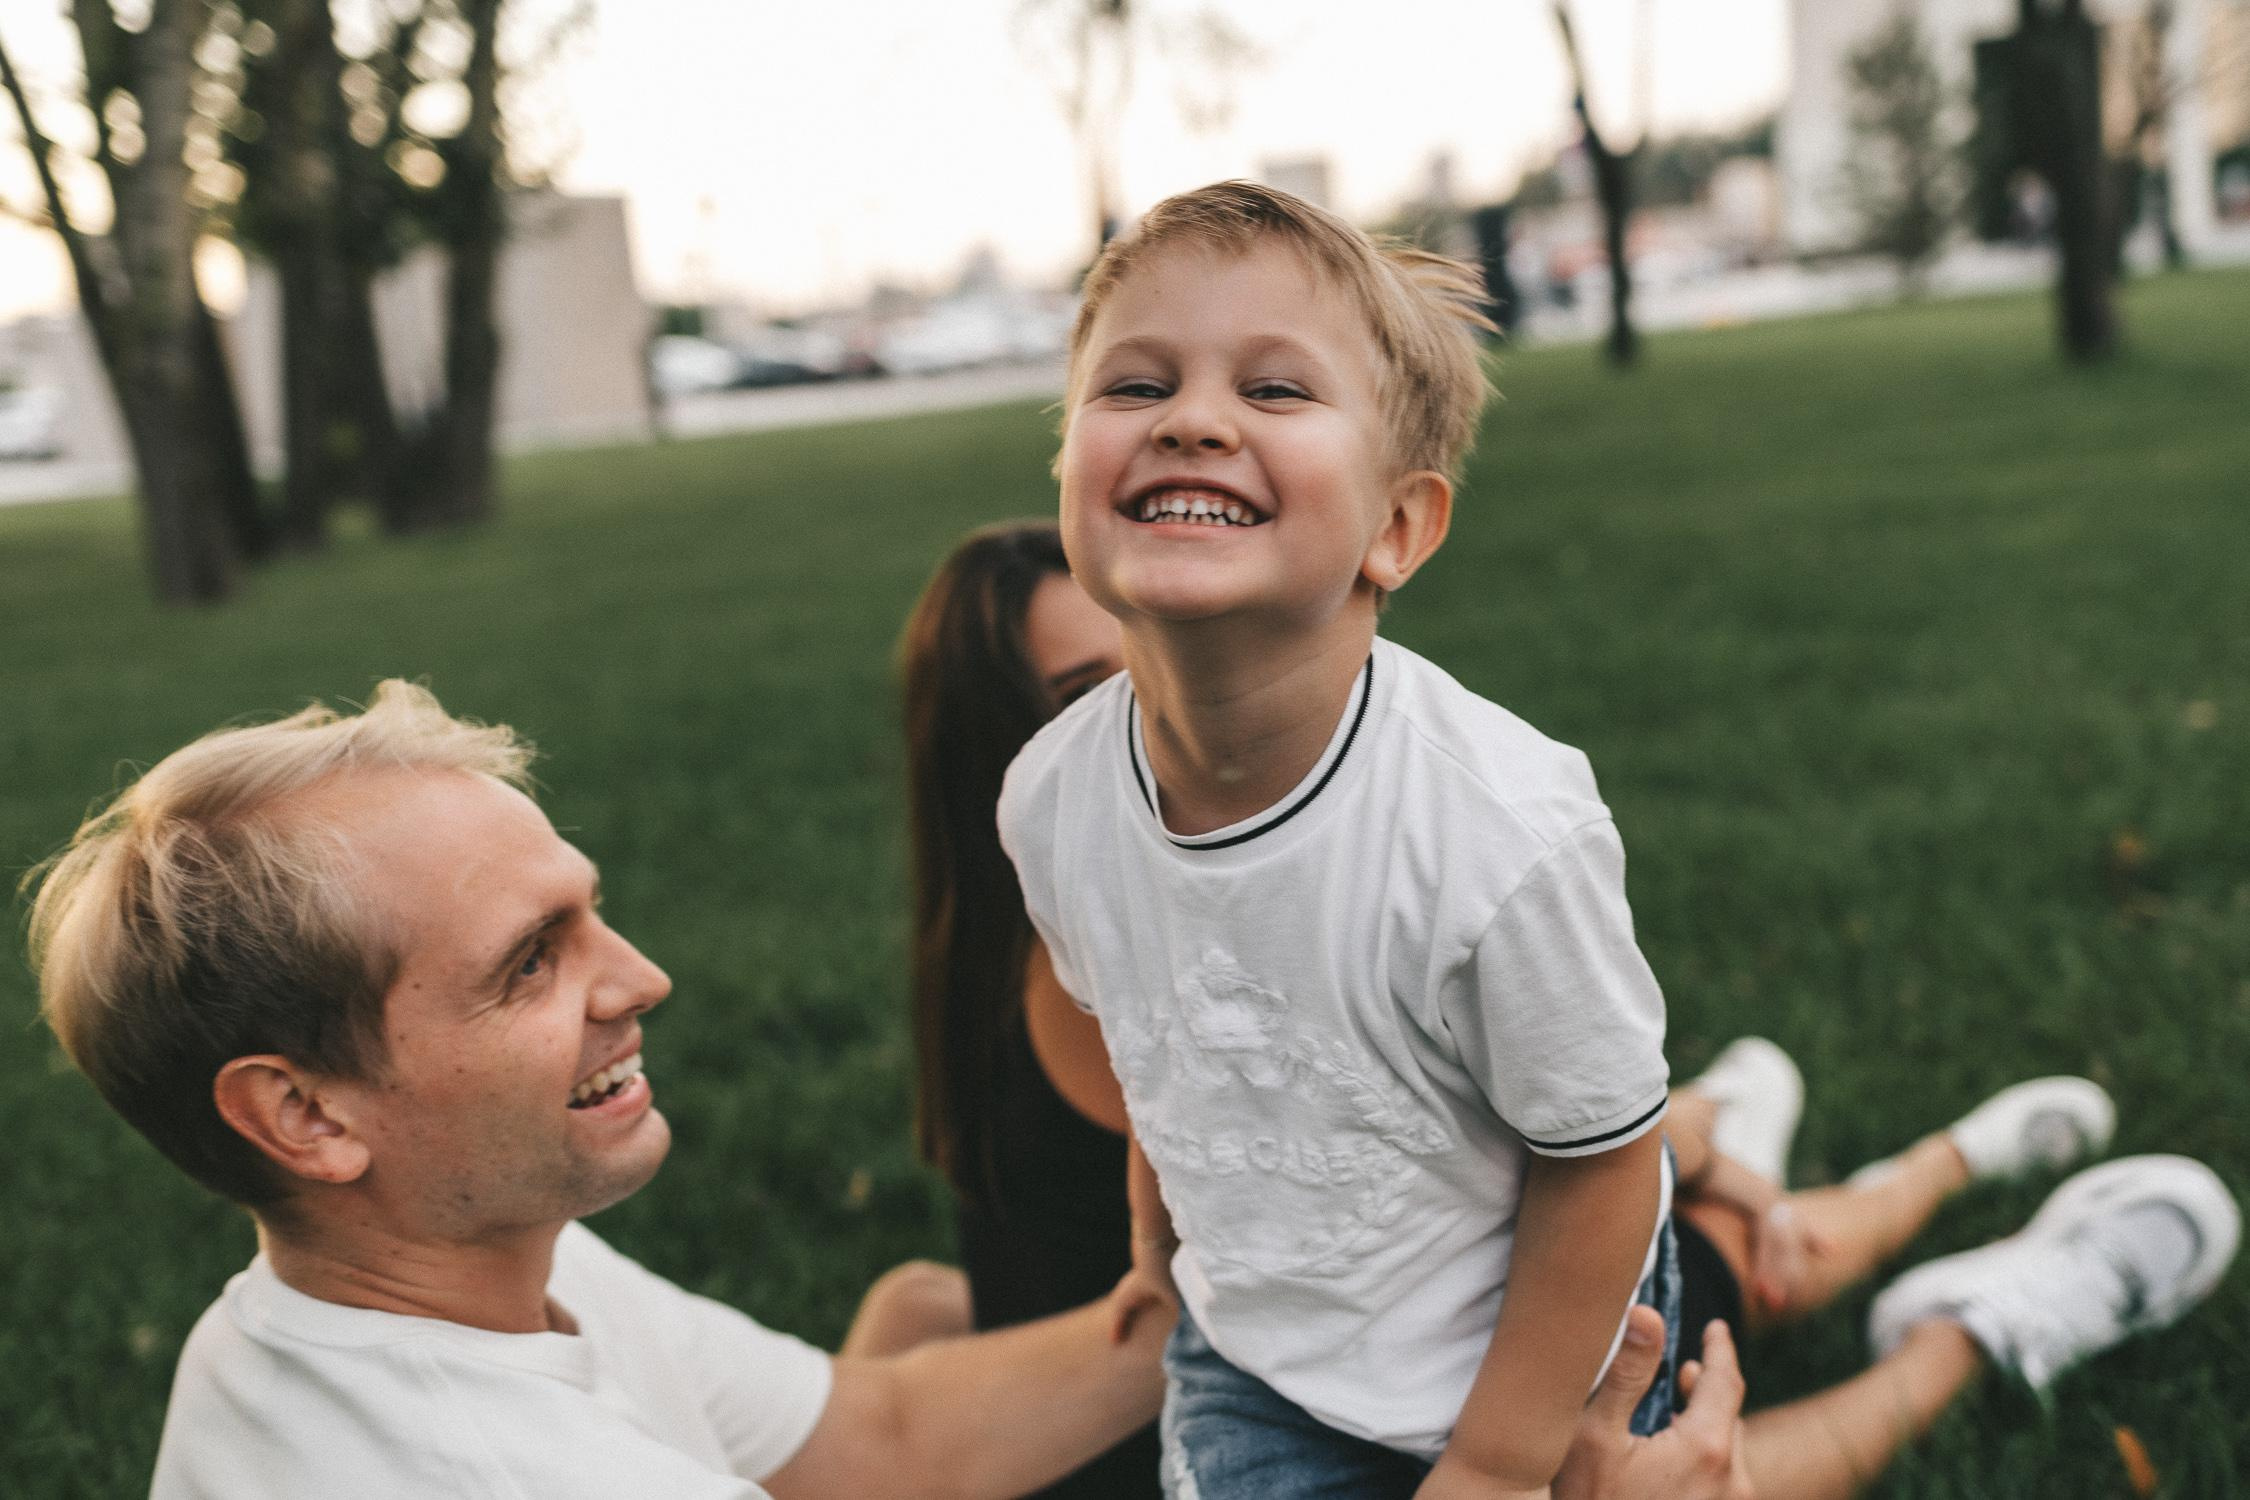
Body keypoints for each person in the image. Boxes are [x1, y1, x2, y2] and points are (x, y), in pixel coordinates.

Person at [994, 180, 2239, 1500]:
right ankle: (1766, 1148)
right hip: (1263, 1368)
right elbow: (1162, 1049)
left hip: (1532, 1340)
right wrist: (1152, 1251)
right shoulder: (1050, 804)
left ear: (1397, 527)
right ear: (1067, 470)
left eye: (1274, 391)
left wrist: (1494, 1459)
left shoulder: (1492, 832)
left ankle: (1976, 1305)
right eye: (1134, 385)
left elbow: (1596, 1171)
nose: (1191, 418)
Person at [22, 680, 1754, 1500]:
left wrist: (1311, 1246)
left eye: (590, 913)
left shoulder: (369, 1303)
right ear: (306, 1116)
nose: (641, 979)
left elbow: (884, 1434)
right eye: (531, 961)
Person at [900, 521, 1156, 1497]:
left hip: (1057, 1408)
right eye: (1084, 694)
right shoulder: (1112, 949)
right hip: (1153, 1444)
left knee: (915, 1304)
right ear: (995, 753)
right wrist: (1678, 1137)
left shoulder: (988, 939)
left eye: (1152, 658)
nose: (1148, 712)